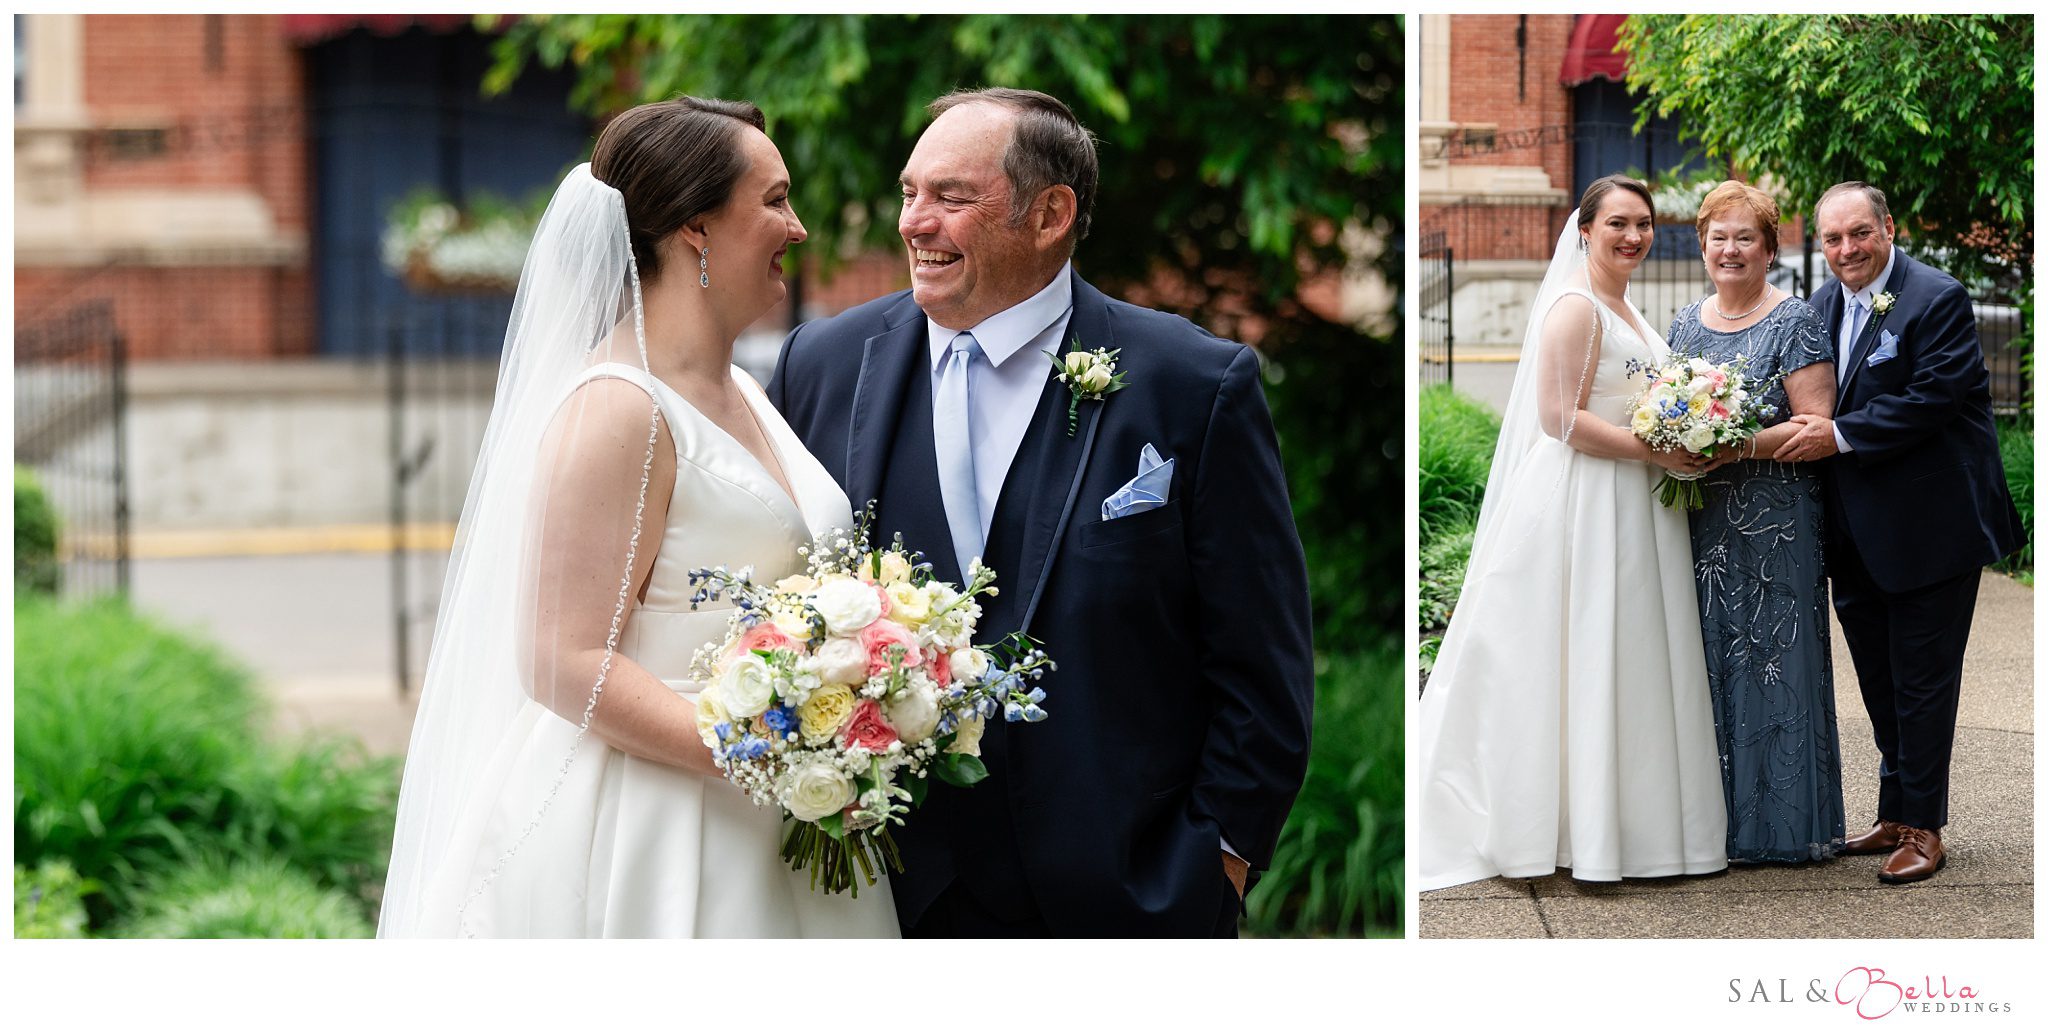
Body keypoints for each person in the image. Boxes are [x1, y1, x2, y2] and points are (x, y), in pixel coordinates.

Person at [768, 88, 1314, 937]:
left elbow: (1261, 656)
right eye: (910, 192)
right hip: (883, 893)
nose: (915, 222)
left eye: (952, 197)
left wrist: (1219, 860)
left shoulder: (1194, 384)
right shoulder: (822, 365)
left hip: (1126, 895)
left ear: (1051, 212)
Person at [379, 98, 899, 937]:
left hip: (783, 814)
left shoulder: (749, 395)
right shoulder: (617, 406)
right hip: (659, 826)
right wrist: (776, 754)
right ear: (695, 227)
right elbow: (559, 657)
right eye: (774, 200)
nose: (798, 228)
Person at [1416, 175, 1728, 891]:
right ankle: (1566, 825)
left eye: (1644, 224)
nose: (1633, 236)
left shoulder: (1625, 306)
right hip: (1588, 502)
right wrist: (1656, 449)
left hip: (1634, 501)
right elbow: (1559, 417)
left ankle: (1626, 824)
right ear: (1583, 230)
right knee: (1581, 653)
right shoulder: (1575, 309)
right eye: (1618, 222)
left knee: (1625, 656)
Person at [1775, 182, 2025, 884]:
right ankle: (1894, 809)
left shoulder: (1936, 296)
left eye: (1859, 233)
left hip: (1931, 527)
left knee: (1922, 684)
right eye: (1832, 239)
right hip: (1855, 534)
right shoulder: (1821, 305)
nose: (1847, 249)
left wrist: (1840, 434)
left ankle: (1924, 826)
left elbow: (1936, 396)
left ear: (1888, 227)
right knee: (1881, 683)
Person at [1666, 181, 1844, 864]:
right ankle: (1717, 829)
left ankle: (1780, 829)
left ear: (1771, 246)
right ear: (1702, 243)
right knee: (1709, 660)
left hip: (1777, 523)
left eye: (1746, 237)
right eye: (1719, 236)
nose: (1730, 249)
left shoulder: (1794, 318)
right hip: (1704, 522)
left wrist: (1731, 443)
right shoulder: (1686, 322)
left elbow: (1815, 426)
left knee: (1776, 666)